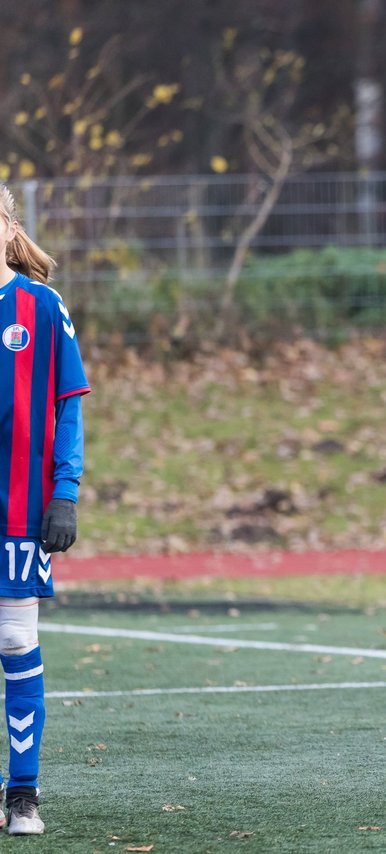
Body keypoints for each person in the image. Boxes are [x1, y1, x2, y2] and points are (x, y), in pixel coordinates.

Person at [0, 185, 91, 834]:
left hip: (18, 507)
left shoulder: (41, 306)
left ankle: (22, 795)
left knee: (15, 639)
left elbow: (69, 405)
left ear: (8, 229)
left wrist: (65, 491)